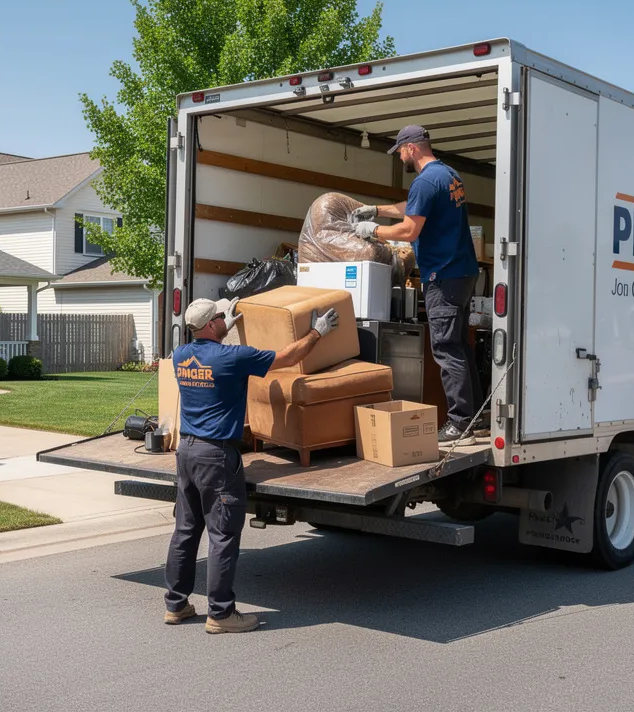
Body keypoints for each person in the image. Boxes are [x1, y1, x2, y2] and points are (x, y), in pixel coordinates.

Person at [164, 297, 339, 634]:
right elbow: (288, 357)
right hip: (216, 456)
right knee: (223, 536)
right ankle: (221, 614)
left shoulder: (182, 356)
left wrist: (223, 327)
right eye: (220, 317)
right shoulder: (233, 357)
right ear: (213, 324)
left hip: (186, 452)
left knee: (185, 531)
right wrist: (317, 332)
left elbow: (207, 352)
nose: (222, 319)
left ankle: (176, 605)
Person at [352, 124, 483, 446]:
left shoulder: (425, 180)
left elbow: (410, 229)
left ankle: (460, 423)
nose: (399, 157)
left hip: (443, 274)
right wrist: (377, 209)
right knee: (461, 347)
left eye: (399, 150)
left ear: (412, 148)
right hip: (462, 273)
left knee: (446, 349)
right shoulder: (448, 175)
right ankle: (476, 419)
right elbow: (415, 206)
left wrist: (373, 230)